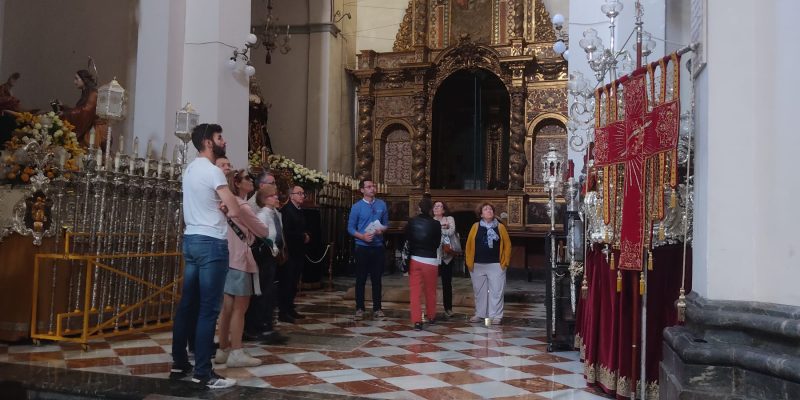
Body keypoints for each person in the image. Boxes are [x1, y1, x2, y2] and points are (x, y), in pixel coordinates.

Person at [170, 123, 239, 389]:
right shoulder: (213, 172)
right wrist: (226, 202)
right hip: (211, 243)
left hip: (191, 239)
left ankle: (179, 362)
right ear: (209, 143)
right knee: (209, 309)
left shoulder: (189, 169)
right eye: (220, 137)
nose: (225, 141)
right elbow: (233, 210)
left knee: (188, 305)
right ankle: (203, 371)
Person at [214, 169, 267, 368]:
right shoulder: (242, 206)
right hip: (240, 260)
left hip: (227, 258)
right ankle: (236, 351)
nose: (251, 181)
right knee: (240, 308)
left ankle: (223, 349)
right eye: (247, 178)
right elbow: (263, 230)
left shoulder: (225, 203)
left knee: (227, 308)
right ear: (237, 183)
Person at [244, 183, 289, 345]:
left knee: (270, 291)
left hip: (273, 258)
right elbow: (264, 235)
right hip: (265, 258)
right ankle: (260, 326)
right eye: (273, 196)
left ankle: (267, 324)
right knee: (264, 290)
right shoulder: (263, 215)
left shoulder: (275, 213)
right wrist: (274, 248)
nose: (277, 198)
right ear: (265, 199)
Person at [347, 179, 388, 321]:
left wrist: (381, 230)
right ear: (362, 190)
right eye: (369, 186)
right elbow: (350, 228)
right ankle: (359, 308)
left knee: (377, 279)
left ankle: (377, 308)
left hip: (377, 247)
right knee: (361, 279)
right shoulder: (357, 207)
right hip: (362, 247)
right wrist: (362, 236)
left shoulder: (382, 204)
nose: (372, 188)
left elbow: (385, 225)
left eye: (373, 186)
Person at [464, 202, 511, 325]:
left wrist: (505, 262)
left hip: (496, 264)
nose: (488, 211)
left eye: (490, 209)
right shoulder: (475, 226)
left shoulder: (500, 227)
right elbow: (469, 244)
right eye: (485, 209)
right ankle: (480, 314)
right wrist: (469, 261)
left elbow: (507, 245)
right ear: (481, 214)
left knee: (496, 291)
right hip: (477, 264)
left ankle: (496, 316)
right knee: (479, 292)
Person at [405, 197, 441, 330]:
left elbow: (407, 239)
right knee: (430, 290)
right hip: (431, 260)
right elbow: (437, 244)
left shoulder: (412, 222)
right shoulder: (436, 224)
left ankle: (417, 321)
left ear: (419, 208)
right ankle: (431, 316)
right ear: (431, 209)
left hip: (415, 259)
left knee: (415, 292)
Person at [278, 185, 309, 323]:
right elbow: (287, 233)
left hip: (298, 252)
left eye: (303, 193)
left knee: (294, 282)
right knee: (287, 283)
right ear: (291, 195)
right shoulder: (286, 210)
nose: (302, 195)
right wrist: (302, 236)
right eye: (299, 193)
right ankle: (283, 312)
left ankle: (290, 308)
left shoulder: (299, 210)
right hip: (289, 252)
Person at [58, 70, 106, 148]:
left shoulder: (93, 94)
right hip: (88, 128)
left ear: (84, 80)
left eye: (77, 79)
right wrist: (64, 108)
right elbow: (79, 109)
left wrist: (66, 113)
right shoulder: (86, 93)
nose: (74, 82)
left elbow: (85, 111)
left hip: (93, 131)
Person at [433, 200, 457, 318]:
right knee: (432, 283)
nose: (437, 208)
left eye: (440, 206)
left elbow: (451, 231)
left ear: (444, 209)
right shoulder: (430, 220)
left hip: (447, 255)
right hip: (434, 255)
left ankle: (448, 308)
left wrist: (439, 228)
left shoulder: (450, 219)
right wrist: (442, 228)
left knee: (447, 283)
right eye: (435, 206)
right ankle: (431, 308)